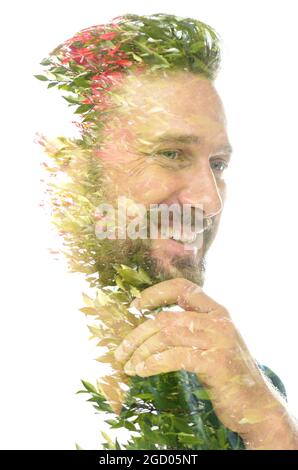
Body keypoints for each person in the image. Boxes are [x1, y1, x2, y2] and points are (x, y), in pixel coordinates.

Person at [36, 13, 298, 450]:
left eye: (218, 165)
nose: (210, 201)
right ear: (72, 168)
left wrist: (271, 427)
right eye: (171, 153)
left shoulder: (238, 387)